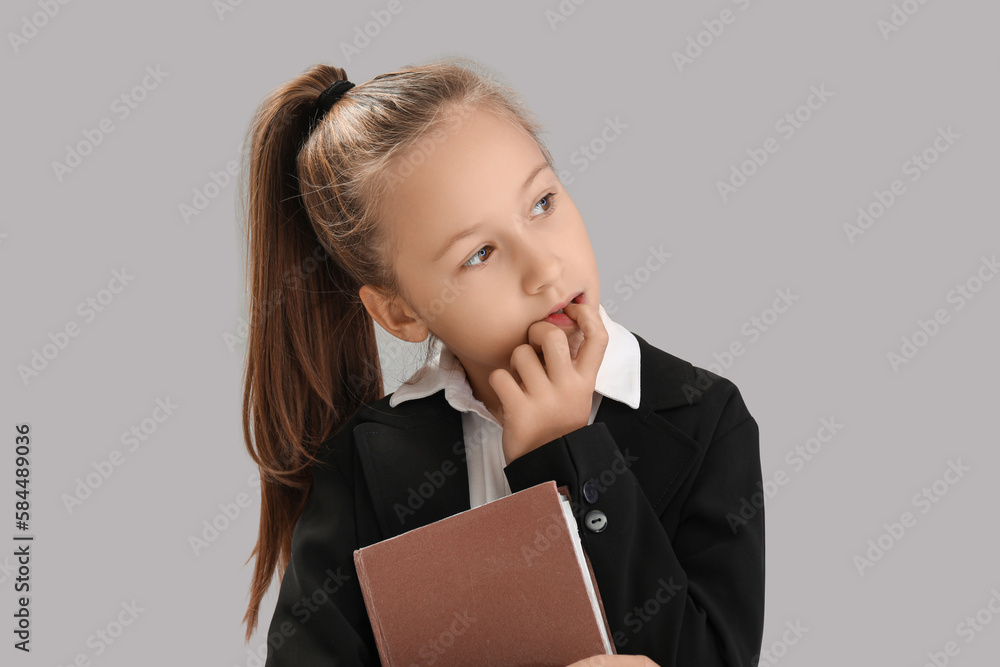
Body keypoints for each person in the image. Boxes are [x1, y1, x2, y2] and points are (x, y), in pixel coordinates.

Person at [238, 55, 765, 667]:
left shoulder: (705, 419)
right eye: (480, 253)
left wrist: (568, 453)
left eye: (542, 202)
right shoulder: (361, 467)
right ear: (400, 311)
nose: (544, 268)